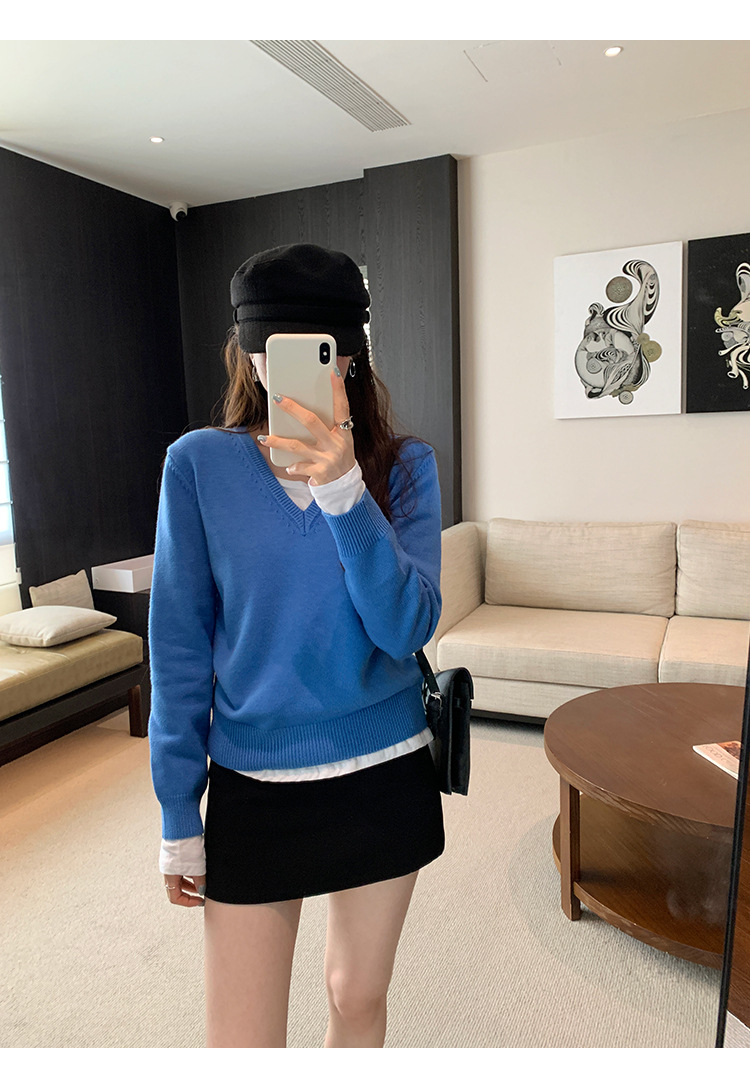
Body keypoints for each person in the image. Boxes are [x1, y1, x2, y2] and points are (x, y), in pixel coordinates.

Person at [148, 242, 445, 1048]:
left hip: (383, 771)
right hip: (253, 783)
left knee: (357, 999)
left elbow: (407, 628)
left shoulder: (403, 468)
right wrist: (178, 809)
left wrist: (345, 490)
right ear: (247, 353)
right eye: (273, 350)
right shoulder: (197, 466)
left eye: (324, 351)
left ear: (350, 355)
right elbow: (178, 649)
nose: (294, 372)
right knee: (241, 1044)